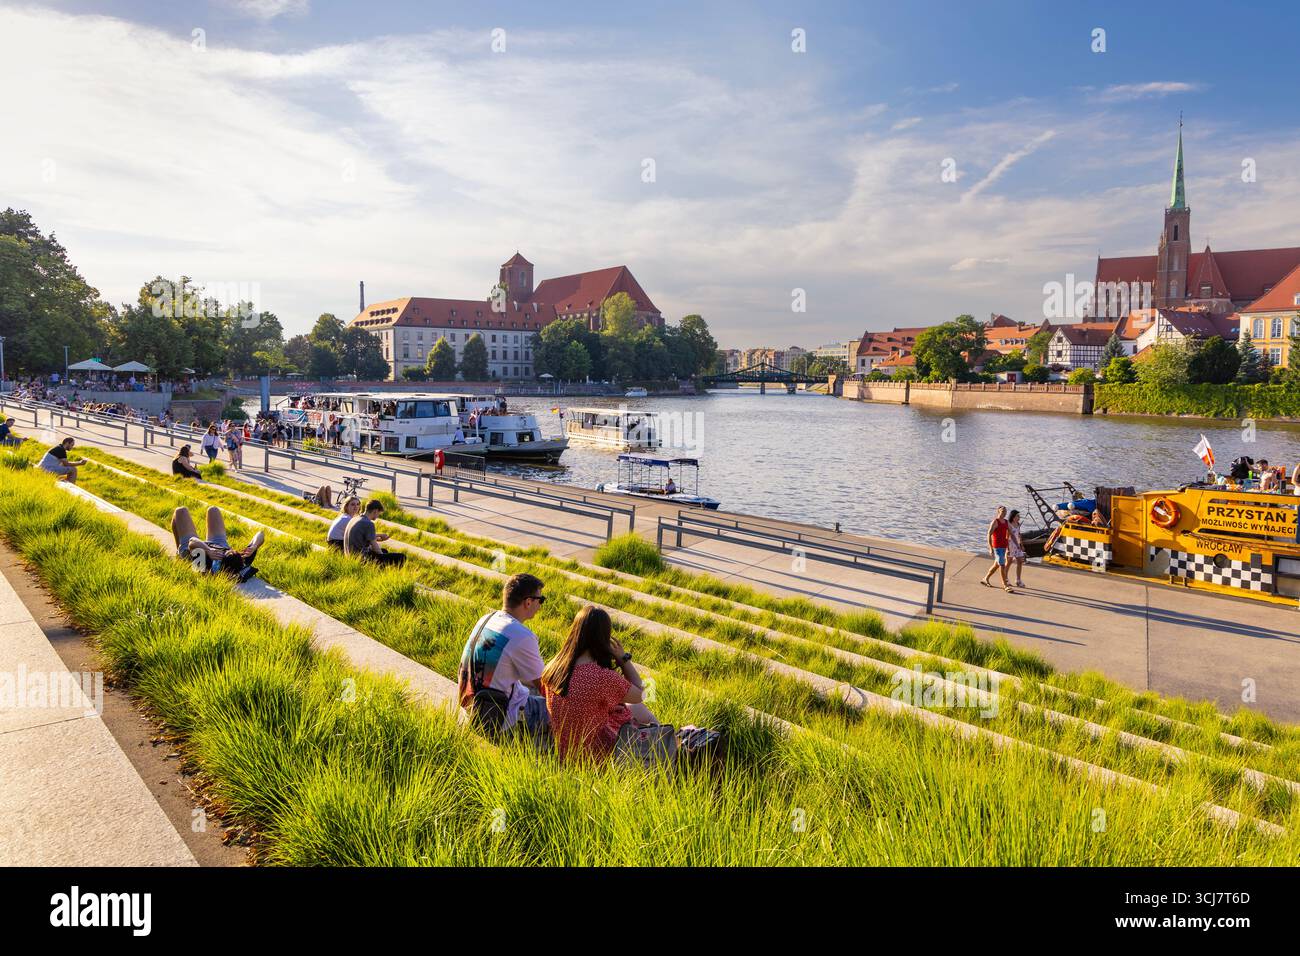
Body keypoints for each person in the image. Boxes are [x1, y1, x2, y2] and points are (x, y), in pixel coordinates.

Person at [542, 604, 656, 762]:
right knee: (641, 710)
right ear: (604, 638)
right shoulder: (600, 677)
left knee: (628, 707)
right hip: (596, 756)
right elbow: (643, 693)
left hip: (564, 750)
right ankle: (664, 742)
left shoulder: (552, 667)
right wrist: (624, 659)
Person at [458, 573, 550, 739]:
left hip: (470, 707)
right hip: (498, 718)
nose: (541, 605)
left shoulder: (486, 619)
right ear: (528, 602)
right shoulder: (522, 636)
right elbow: (545, 687)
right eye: (540, 600)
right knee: (564, 709)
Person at [170, 506, 264, 582]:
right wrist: (254, 546)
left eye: (225, 553)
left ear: (219, 561)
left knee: (181, 511)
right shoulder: (240, 562)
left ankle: (179, 552)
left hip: (193, 549)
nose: (229, 550)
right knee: (213, 510)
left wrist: (208, 550)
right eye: (230, 551)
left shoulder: (204, 565)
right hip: (218, 543)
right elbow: (260, 534)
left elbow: (192, 541)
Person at [343, 499, 405, 565]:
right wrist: (383, 557)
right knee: (401, 557)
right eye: (379, 513)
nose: (378, 516)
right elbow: (375, 547)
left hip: (349, 556)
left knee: (385, 551)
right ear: (375, 511)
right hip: (361, 560)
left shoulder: (355, 518)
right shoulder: (368, 523)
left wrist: (379, 539)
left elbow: (363, 538)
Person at [980, 506, 1013, 592]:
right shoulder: (995, 522)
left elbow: (1011, 532)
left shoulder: (1006, 522)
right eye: (1002, 511)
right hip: (997, 547)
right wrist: (990, 548)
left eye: (1005, 511)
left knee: (996, 565)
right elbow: (989, 534)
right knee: (1002, 565)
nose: (1004, 513)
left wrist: (1010, 546)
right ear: (998, 512)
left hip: (1004, 546)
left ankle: (985, 578)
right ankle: (1005, 585)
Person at [1007, 509, 1027, 589]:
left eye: (1019, 516)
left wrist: (1021, 545)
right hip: (1010, 545)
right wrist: (1007, 548)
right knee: (1009, 562)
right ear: (1013, 516)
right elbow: (1007, 536)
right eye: (1017, 516)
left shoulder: (1018, 524)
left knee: (1020, 561)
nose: (1019, 517)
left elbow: (1019, 535)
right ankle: (1006, 578)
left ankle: (1018, 580)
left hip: (1017, 545)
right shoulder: (1009, 524)